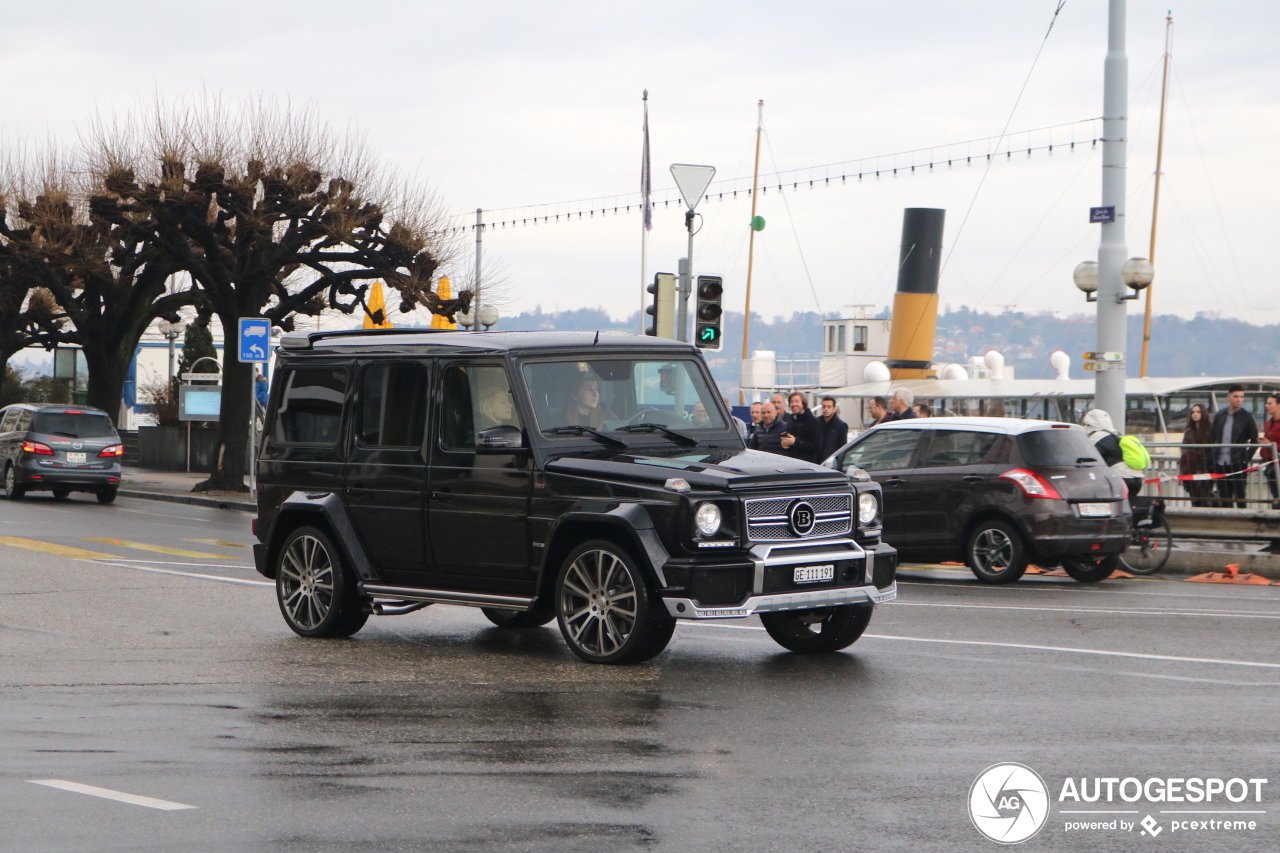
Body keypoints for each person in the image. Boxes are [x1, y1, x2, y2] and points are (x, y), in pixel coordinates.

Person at [1209, 385, 1257, 509]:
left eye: (1241, 397)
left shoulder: (1246, 417)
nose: (1239, 399)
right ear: (1229, 397)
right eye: (1236, 396)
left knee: (1240, 496)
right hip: (1220, 462)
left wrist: (1246, 457)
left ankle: (1243, 523)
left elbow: (1255, 440)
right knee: (1224, 496)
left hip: (1238, 463)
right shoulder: (1220, 415)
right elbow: (1213, 437)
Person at [1082, 408, 1143, 499]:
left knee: (1109, 507)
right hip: (1137, 479)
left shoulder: (1097, 437)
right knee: (1127, 507)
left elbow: (1084, 458)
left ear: (1089, 425)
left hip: (1120, 480)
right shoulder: (1116, 434)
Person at [1179, 403, 1215, 508]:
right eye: (1193, 412)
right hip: (1190, 467)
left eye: (1198, 412)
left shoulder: (1209, 429)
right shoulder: (1189, 430)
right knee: (1193, 495)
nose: (1195, 414)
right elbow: (1184, 449)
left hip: (1205, 466)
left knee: (1204, 494)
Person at [780, 392, 819, 464]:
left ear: (803, 403)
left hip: (807, 465)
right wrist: (785, 445)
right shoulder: (791, 421)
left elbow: (816, 446)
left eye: (797, 401)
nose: (794, 404)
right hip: (792, 464)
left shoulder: (813, 422)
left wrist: (796, 442)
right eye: (792, 402)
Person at [814, 396, 849, 463]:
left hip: (832, 463)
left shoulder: (841, 426)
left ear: (834, 409)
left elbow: (842, 448)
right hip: (816, 462)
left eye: (829, 407)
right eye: (824, 407)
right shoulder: (816, 423)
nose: (826, 409)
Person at [1261, 394, 1280, 510]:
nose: (1266, 406)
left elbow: (1271, 443)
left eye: (1269, 403)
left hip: (1278, 463)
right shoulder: (1269, 422)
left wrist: (1272, 446)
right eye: (1266, 403)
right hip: (1270, 465)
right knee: (1275, 497)